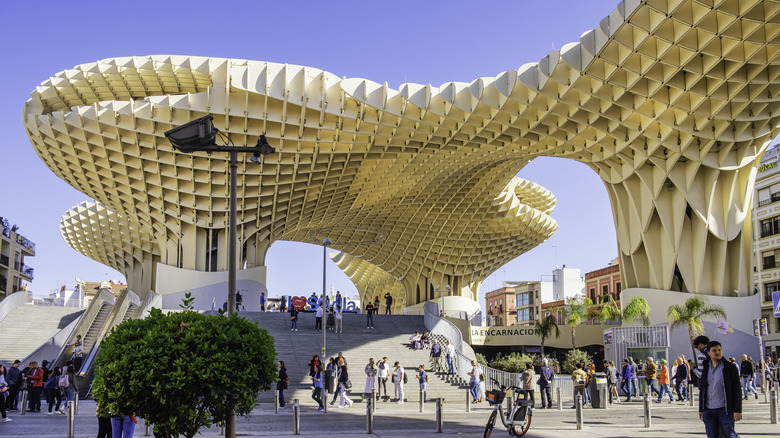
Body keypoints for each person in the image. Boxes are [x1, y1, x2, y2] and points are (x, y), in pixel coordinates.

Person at [699, 340, 742, 438]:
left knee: (729, 435)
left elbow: (736, 390)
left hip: (724, 409)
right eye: (714, 350)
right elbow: (703, 388)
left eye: (719, 350)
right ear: (709, 352)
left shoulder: (729, 368)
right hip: (709, 410)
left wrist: (737, 410)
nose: (717, 352)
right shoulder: (706, 367)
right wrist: (701, 409)